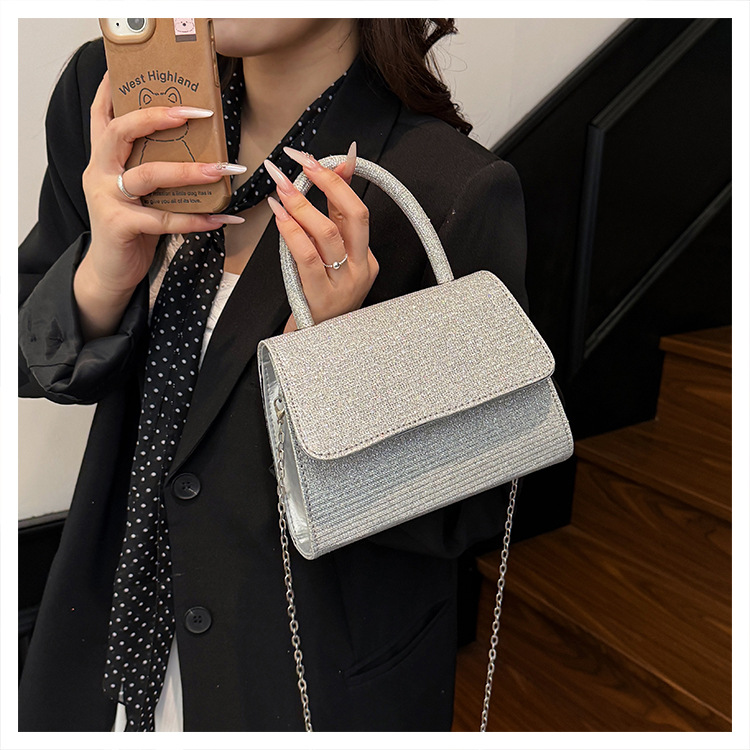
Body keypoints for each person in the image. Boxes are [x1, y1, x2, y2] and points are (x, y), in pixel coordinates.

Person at [18, 18, 530, 731]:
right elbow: (33, 355)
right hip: (100, 641)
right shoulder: (119, 102)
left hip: (298, 677)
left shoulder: (445, 188)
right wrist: (105, 271)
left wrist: (338, 369)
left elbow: (470, 512)